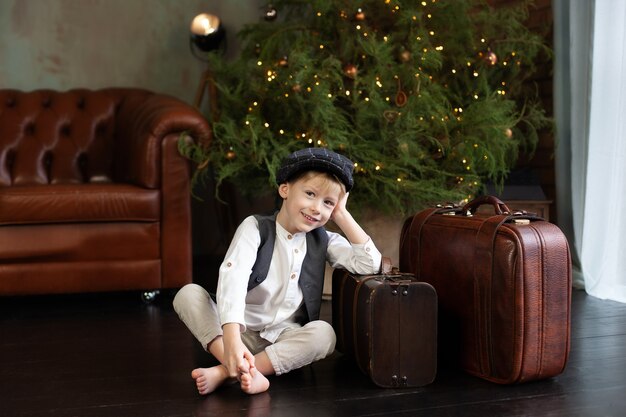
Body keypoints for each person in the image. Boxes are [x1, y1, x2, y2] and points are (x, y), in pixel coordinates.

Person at [173, 147, 382, 395]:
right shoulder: (255, 228)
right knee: (188, 294)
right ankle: (236, 360)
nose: (317, 208)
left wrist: (342, 214)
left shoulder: (324, 239)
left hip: (283, 337)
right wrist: (231, 337)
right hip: (240, 330)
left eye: (327, 203)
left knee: (325, 335)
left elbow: (370, 264)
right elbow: (234, 275)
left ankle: (226, 371)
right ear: (285, 189)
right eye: (310, 194)